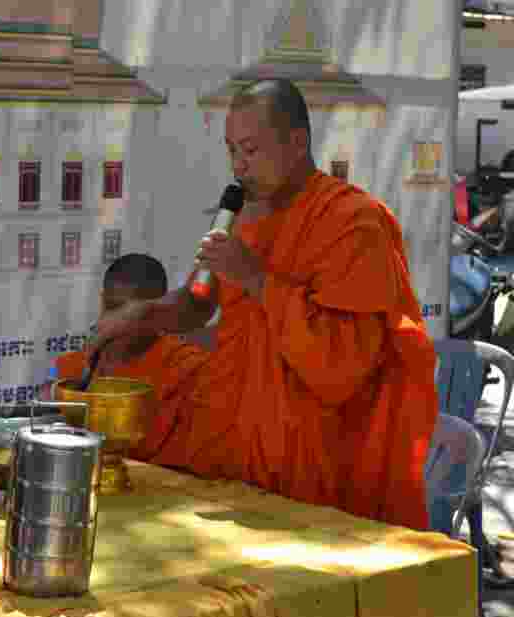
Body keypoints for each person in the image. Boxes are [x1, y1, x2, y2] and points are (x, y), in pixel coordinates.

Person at [93, 78, 438, 530]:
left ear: (296, 143)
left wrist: (255, 277)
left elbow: (341, 365)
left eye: (251, 151)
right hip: (241, 441)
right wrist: (143, 314)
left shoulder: (353, 223)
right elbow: (200, 303)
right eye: (232, 151)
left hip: (319, 457)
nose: (239, 166)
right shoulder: (244, 215)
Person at [53, 254, 212, 392]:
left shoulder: (185, 368)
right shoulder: (73, 367)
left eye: (134, 315)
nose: (119, 324)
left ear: (158, 311)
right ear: (102, 300)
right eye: (113, 307)